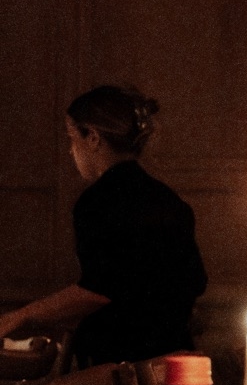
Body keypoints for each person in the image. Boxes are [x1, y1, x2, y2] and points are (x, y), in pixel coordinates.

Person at [0, 86, 207, 366]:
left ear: (94, 138)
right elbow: (192, 282)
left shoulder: (97, 202)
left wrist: (19, 316)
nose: (72, 152)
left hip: (121, 377)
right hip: (176, 367)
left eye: (73, 140)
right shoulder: (169, 200)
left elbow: (99, 289)